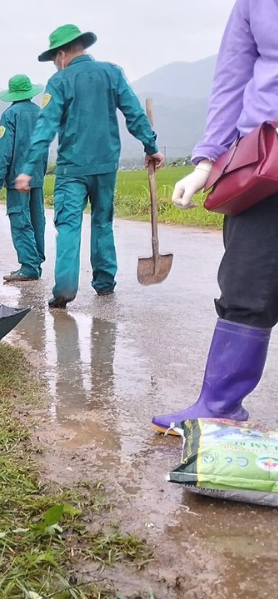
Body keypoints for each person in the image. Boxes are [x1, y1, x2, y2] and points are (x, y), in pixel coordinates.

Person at [151, 0, 277, 434]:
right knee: (246, 280)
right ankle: (219, 405)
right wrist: (207, 161)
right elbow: (233, 77)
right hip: (266, 160)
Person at [15, 24, 164, 309]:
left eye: (54, 60)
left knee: (69, 224)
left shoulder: (59, 82)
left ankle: (65, 289)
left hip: (72, 169)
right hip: (106, 164)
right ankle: (105, 283)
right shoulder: (112, 72)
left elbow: (45, 128)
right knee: (102, 221)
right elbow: (133, 112)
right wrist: (151, 146)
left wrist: (28, 167)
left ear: (60, 54)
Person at [0, 74, 47, 282]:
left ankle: (29, 266)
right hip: (37, 176)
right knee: (36, 219)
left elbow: (5, 151)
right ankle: (36, 261)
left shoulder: (10, 114)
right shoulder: (39, 113)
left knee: (20, 219)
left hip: (17, 178)